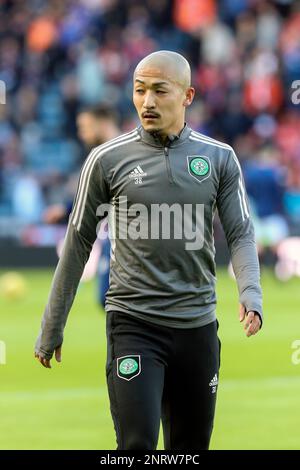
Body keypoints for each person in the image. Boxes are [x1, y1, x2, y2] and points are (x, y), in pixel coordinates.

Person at [35, 50, 263, 450]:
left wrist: (251, 293)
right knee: (136, 447)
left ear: (187, 95)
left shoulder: (219, 158)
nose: (147, 101)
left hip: (197, 326)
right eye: (139, 90)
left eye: (160, 90)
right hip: (134, 324)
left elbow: (241, 233)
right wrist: (52, 325)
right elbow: (77, 243)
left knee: (189, 450)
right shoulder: (106, 160)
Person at [43, 104, 120, 307]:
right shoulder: (103, 154)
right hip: (112, 233)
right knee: (108, 298)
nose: (81, 133)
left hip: (130, 237)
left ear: (102, 123)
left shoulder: (118, 154)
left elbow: (99, 197)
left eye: (85, 127)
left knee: (112, 298)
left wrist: (67, 210)